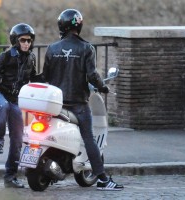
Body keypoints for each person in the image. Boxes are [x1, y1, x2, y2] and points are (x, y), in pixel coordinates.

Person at [42, 9, 124, 191]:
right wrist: (103, 86)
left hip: (56, 104)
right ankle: (103, 179)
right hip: (77, 104)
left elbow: (45, 76)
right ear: (79, 25)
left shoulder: (52, 48)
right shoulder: (86, 48)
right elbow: (92, 75)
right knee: (89, 138)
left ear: (61, 25)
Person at [0, 23, 43, 188]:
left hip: (14, 100)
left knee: (17, 139)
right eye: (23, 40)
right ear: (16, 40)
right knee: (4, 107)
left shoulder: (31, 57)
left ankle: (10, 177)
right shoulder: (6, 56)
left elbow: (34, 78)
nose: (26, 43)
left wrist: (49, 74)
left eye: (29, 40)